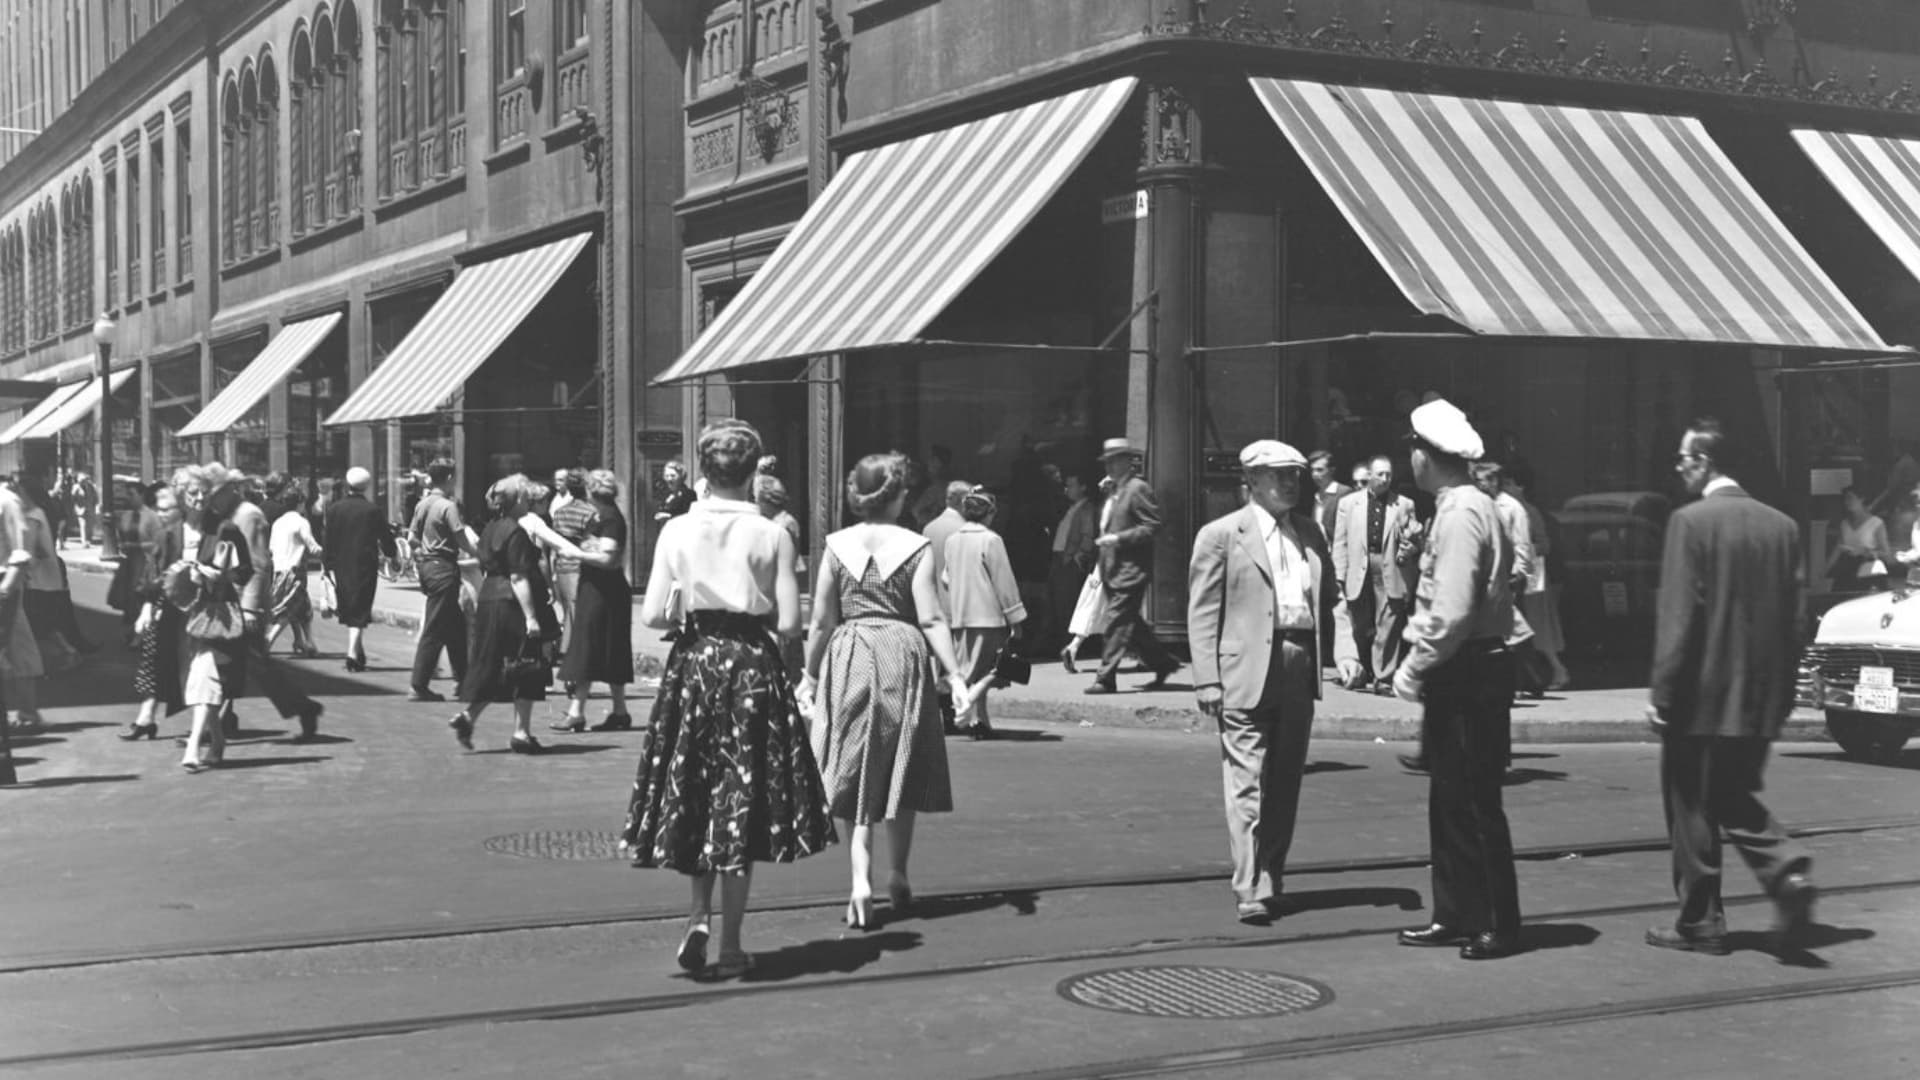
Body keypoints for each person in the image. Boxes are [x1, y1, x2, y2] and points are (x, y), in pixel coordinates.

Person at [625, 420, 835, 979]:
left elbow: (651, 615)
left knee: (695, 786)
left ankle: (698, 915)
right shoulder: (772, 534)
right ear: (754, 471)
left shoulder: (677, 530)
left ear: (703, 470)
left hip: (695, 661)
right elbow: (789, 623)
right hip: (750, 665)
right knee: (740, 795)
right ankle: (734, 943)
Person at [1645, 418, 1817, 956]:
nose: (1678, 468)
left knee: (1692, 804)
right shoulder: (1782, 527)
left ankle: (1700, 921)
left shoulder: (1689, 523)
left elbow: (1679, 620)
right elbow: (1795, 621)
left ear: (1705, 463)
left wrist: (1662, 694)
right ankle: (1785, 870)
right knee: (1731, 793)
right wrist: (1785, 695)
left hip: (1701, 698)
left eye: (1683, 459)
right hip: (1759, 699)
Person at [1188, 441, 1360, 926]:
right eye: (1280, 476)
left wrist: (1344, 652)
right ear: (1253, 481)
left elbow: (1332, 600)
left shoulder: (1308, 532)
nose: (1291, 484)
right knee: (1246, 783)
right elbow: (1202, 611)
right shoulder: (1221, 534)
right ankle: (1248, 886)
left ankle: (1271, 878)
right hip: (1243, 672)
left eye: (1296, 476)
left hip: (1298, 666)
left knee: (1284, 782)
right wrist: (1206, 680)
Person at [803, 451, 964, 932]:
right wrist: (954, 674)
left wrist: (809, 674)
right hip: (901, 651)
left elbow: (821, 620)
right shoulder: (916, 547)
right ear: (895, 497)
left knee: (854, 766)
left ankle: (859, 879)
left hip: (850, 650)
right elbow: (932, 616)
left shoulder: (836, 545)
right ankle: (898, 873)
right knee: (900, 763)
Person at [1391, 399, 1523, 961]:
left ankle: (1494, 921)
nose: (1410, 459)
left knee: (1472, 802)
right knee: (1449, 800)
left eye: (1413, 450)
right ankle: (1454, 913)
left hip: (1467, 667)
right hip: (1464, 667)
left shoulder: (1464, 511)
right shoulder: (1462, 505)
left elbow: (1453, 607)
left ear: (1428, 455)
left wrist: (1415, 664)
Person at [448, 474, 574, 754]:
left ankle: (469, 716)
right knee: (526, 664)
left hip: (490, 598)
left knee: (494, 663)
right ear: (516, 500)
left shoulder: (491, 528)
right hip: (512, 602)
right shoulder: (515, 532)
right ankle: (521, 732)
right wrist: (531, 617)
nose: (529, 499)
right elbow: (518, 577)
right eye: (525, 496)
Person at [220, 468, 327, 741]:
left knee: (255, 664)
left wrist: (250, 605)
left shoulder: (248, 515)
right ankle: (223, 717)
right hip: (226, 603)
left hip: (244, 605)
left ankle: (304, 707)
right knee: (226, 662)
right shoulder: (224, 515)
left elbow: (258, 562)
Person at [173, 465, 255, 773]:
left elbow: (245, 571)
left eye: (204, 493)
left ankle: (195, 744)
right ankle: (217, 739)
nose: (199, 499)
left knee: (204, 675)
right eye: (192, 493)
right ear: (181, 495)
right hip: (180, 615)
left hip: (214, 613)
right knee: (192, 680)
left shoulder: (224, 529)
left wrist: (218, 575)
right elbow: (157, 572)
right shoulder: (173, 529)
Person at [1086, 438, 1181, 694]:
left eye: (1116, 460)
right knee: (1130, 623)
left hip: (1131, 569)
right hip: (1112, 568)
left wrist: (1119, 539)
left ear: (1129, 461)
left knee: (1117, 622)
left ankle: (1105, 678)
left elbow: (1152, 525)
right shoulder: (1114, 490)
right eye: (1107, 461)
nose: (1110, 466)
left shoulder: (1138, 488)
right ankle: (1163, 663)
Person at [551, 469, 636, 733]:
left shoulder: (609, 518)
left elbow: (609, 559)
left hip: (604, 590)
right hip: (599, 588)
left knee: (587, 646)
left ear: (590, 491)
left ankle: (577, 712)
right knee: (608, 647)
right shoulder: (602, 516)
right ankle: (619, 711)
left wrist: (576, 553)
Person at [942, 486, 1027, 740]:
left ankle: (980, 723)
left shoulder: (952, 540)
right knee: (993, 670)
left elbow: (946, 578)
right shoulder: (991, 540)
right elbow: (1004, 582)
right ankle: (967, 704)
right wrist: (1016, 618)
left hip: (961, 615)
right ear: (989, 514)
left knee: (972, 670)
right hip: (988, 616)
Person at [1332, 455, 1418, 692]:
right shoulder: (1348, 504)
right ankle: (1359, 671)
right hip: (1358, 564)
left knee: (1388, 622)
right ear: (1369, 475)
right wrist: (1338, 575)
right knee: (1358, 622)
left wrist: (1411, 548)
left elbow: (1412, 537)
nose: (1385, 478)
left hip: (1389, 565)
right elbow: (1340, 542)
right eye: (1380, 474)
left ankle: (1383, 678)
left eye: (1389, 474)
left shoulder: (1404, 504)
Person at [119, 481, 186, 740]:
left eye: (168, 508)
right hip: (165, 605)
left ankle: (220, 717)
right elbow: (153, 573)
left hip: (192, 605)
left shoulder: (190, 533)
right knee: (154, 659)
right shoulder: (164, 534)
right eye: (159, 508)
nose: (162, 513)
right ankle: (146, 717)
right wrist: (148, 605)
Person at [407, 459, 476, 702]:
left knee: (454, 626)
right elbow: (462, 539)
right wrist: (482, 555)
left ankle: (465, 680)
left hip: (428, 567)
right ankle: (418, 684)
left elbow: (411, 538)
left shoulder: (422, 504)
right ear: (448, 478)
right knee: (435, 627)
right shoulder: (448, 506)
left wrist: (425, 550)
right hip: (444, 567)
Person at [322, 467, 397, 673]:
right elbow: (386, 539)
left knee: (351, 607)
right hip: (365, 565)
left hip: (341, 564)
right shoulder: (372, 510)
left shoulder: (335, 509)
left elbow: (328, 539)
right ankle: (352, 653)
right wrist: (392, 555)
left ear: (347, 484)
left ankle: (357, 650)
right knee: (360, 608)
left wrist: (326, 565)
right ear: (367, 486)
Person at [1506, 463, 1571, 689]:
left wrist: (1522, 550)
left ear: (1521, 487)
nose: (1506, 487)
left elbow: (1544, 544)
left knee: (1536, 625)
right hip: (1523, 575)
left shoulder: (1528, 511)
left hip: (1532, 577)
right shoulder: (1511, 507)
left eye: (1510, 483)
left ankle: (1557, 670)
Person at [0, 479, 45, 731]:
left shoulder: (6, 501)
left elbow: (20, 550)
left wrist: (7, 588)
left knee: (18, 645)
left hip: (4, 584)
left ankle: (28, 712)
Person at [1048, 470, 1101, 669]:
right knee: (1059, 603)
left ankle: (1070, 646)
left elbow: (1088, 536)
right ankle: (1065, 645)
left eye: (1071, 485)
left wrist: (1078, 560)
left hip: (1069, 561)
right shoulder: (1071, 508)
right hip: (1061, 559)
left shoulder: (1086, 509)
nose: (1067, 489)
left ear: (1083, 487)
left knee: (1067, 605)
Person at [265, 479, 322, 659]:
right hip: (295, 571)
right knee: (287, 609)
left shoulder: (278, 523)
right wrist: (323, 552)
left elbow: (271, 548)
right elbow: (312, 545)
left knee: (303, 609)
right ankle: (268, 640)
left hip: (279, 570)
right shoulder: (301, 522)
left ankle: (307, 642)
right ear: (300, 503)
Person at [548, 469, 596, 655]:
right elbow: (590, 542)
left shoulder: (559, 513)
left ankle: (567, 651)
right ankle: (576, 655)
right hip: (581, 565)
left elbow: (554, 543)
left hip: (562, 566)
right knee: (578, 612)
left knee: (570, 610)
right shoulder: (591, 512)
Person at [1827, 485, 1894, 594]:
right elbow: (1837, 549)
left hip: (1867, 570)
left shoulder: (1876, 523)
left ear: (1861, 499)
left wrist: (1865, 551)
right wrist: (1824, 571)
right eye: (1845, 499)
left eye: (1850, 498)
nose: (1847, 502)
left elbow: (1886, 554)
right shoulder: (1844, 523)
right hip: (1847, 570)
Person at [653, 459, 694, 526]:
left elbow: (691, 517)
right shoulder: (665, 494)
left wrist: (669, 516)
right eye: (667, 476)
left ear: (681, 476)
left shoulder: (689, 494)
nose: (669, 479)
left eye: (673, 476)